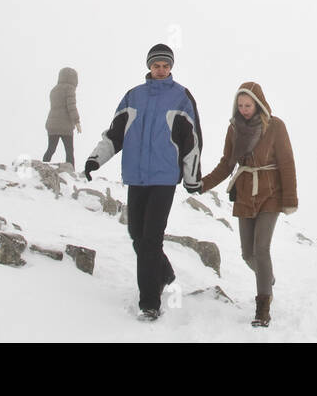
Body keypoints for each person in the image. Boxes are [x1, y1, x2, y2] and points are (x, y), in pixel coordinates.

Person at [84, 44, 202, 321]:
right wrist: (95, 159)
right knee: (137, 235)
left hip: (164, 178)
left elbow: (192, 141)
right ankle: (165, 273)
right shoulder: (132, 96)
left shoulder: (181, 97)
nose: (161, 70)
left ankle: (149, 303)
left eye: (165, 65)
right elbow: (115, 134)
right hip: (136, 176)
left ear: (171, 67)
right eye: (156, 65)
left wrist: (192, 177)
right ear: (149, 66)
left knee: (151, 239)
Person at [197, 81, 297, 327]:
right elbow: (226, 164)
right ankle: (267, 277)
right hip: (244, 193)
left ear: (258, 104)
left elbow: (286, 163)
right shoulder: (234, 129)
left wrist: (290, 199)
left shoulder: (275, 126)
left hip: (270, 193)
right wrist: (202, 184)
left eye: (248, 105)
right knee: (247, 254)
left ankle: (263, 308)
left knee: (261, 249)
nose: (244, 109)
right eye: (240, 105)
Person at [42, 67, 81, 164]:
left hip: (52, 124)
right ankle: (71, 173)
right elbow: (71, 107)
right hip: (65, 126)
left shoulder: (54, 90)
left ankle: (43, 166)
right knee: (69, 152)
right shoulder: (69, 89)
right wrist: (77, 122)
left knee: (51, 149)